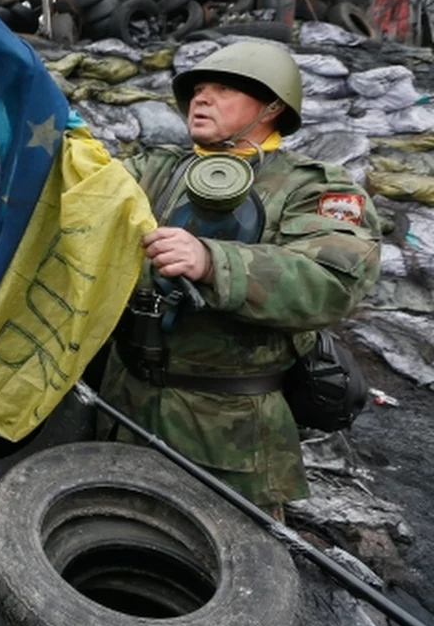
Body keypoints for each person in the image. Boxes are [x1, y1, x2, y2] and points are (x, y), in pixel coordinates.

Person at [98, 41, 381, 517]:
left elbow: (333, 281)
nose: (201, 99)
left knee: (232, 572)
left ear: (272, 106)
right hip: (122, 408)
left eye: (222, 89)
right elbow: (82, 195)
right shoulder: (155, 169)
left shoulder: (313, 186)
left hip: (228, 435)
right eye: (198, 90)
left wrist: (214, 262)